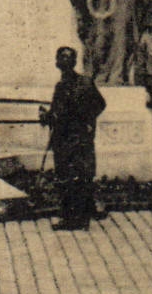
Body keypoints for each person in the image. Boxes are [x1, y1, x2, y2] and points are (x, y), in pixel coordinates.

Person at [39, 45, 107, 230]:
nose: (64, 61)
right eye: (62, 57)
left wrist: (47, 117)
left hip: (68, 139)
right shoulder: (80, 82)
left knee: (68, 178)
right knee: (81, 176)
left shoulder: (67, 85)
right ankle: (83, 215)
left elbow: (61, 115)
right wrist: (87, 122)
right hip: (79, 138)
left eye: (66, 58)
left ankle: (71, 219)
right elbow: (99, 105)